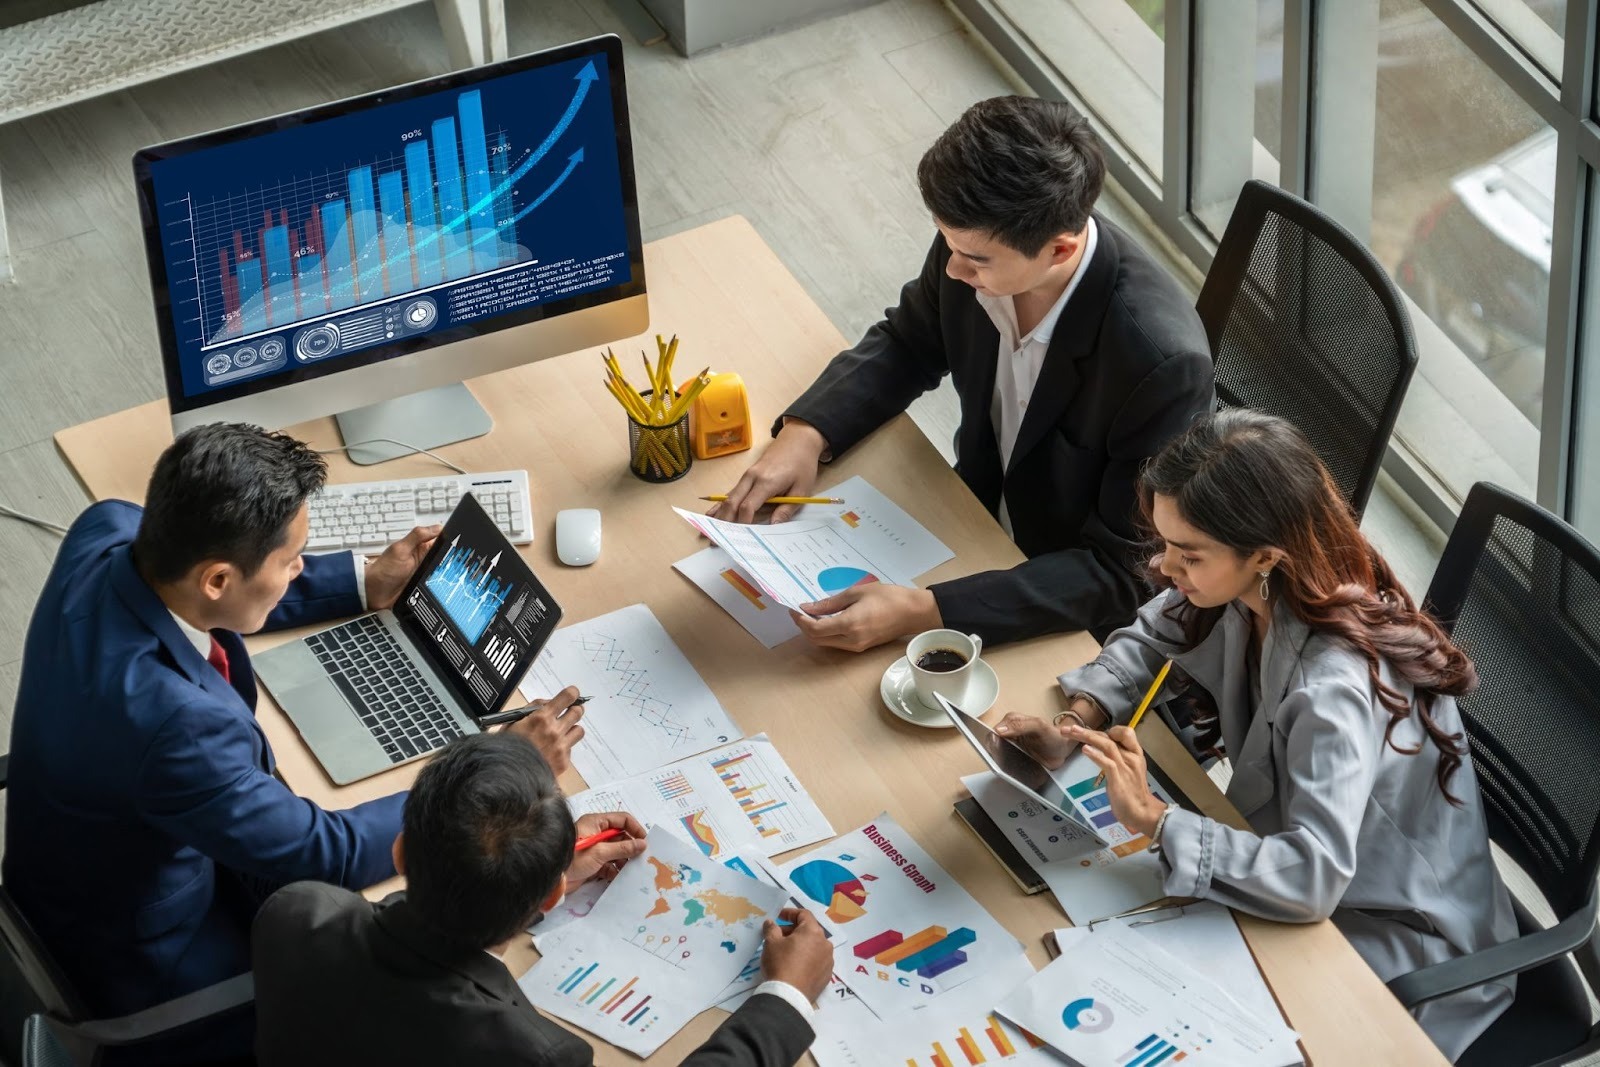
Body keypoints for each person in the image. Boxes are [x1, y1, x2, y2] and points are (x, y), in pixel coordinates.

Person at [3, 423, 587, 1063]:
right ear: (219, 579)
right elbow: (325, 853)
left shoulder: (108, 529)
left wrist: (364, 581)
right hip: (145, 960)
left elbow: (210, 590)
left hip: (63, 869)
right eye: (290, 561)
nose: (299, 568)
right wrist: (504, 780)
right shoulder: (176, 729)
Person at [994, 409, 1514, 1060]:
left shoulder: (1333, 690)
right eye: (1166, 543)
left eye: (1188, 555)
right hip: (1302, 872)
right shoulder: (1257, 584)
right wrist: (1075, 723)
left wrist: (1155, 820)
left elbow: (1314, 876)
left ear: (1264, 554)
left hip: (1390, 930)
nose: (1163, 566)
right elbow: (1152, 636)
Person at [712, 95, 1213, 651]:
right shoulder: (977, 241)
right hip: (967, 519)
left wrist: (929, 611)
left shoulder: (1160, 364)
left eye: (973, 258)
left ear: (1059, 249)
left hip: (1055, 601)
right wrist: (808, 434)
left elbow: (1123, 571)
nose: (952, 268)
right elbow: (909, 341)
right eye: (947, 242)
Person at [252, 732, 832, 1066]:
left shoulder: (297, 912)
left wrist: (517, 879)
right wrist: (785, 1000)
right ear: (557, 892)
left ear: (401, 851)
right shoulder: (533, 1055)